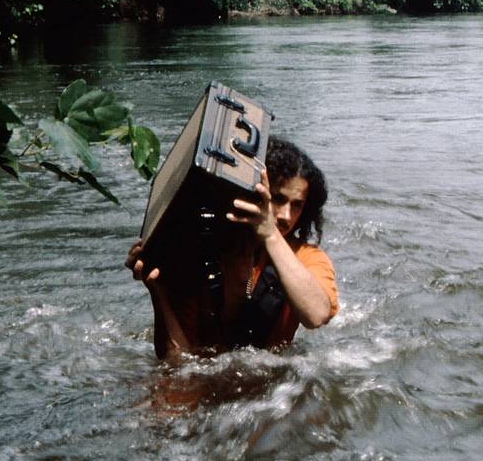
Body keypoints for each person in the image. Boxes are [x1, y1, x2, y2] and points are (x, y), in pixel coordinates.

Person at [127, 136, 339, 360]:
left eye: (297, 205)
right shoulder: (203, 251)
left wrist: (269, 233)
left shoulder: (305, 257)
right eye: (277, 199)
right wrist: (159, 292)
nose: (286, 216)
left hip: (271, 384)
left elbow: (316, 315)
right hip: (209, 374)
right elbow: (177, 362)